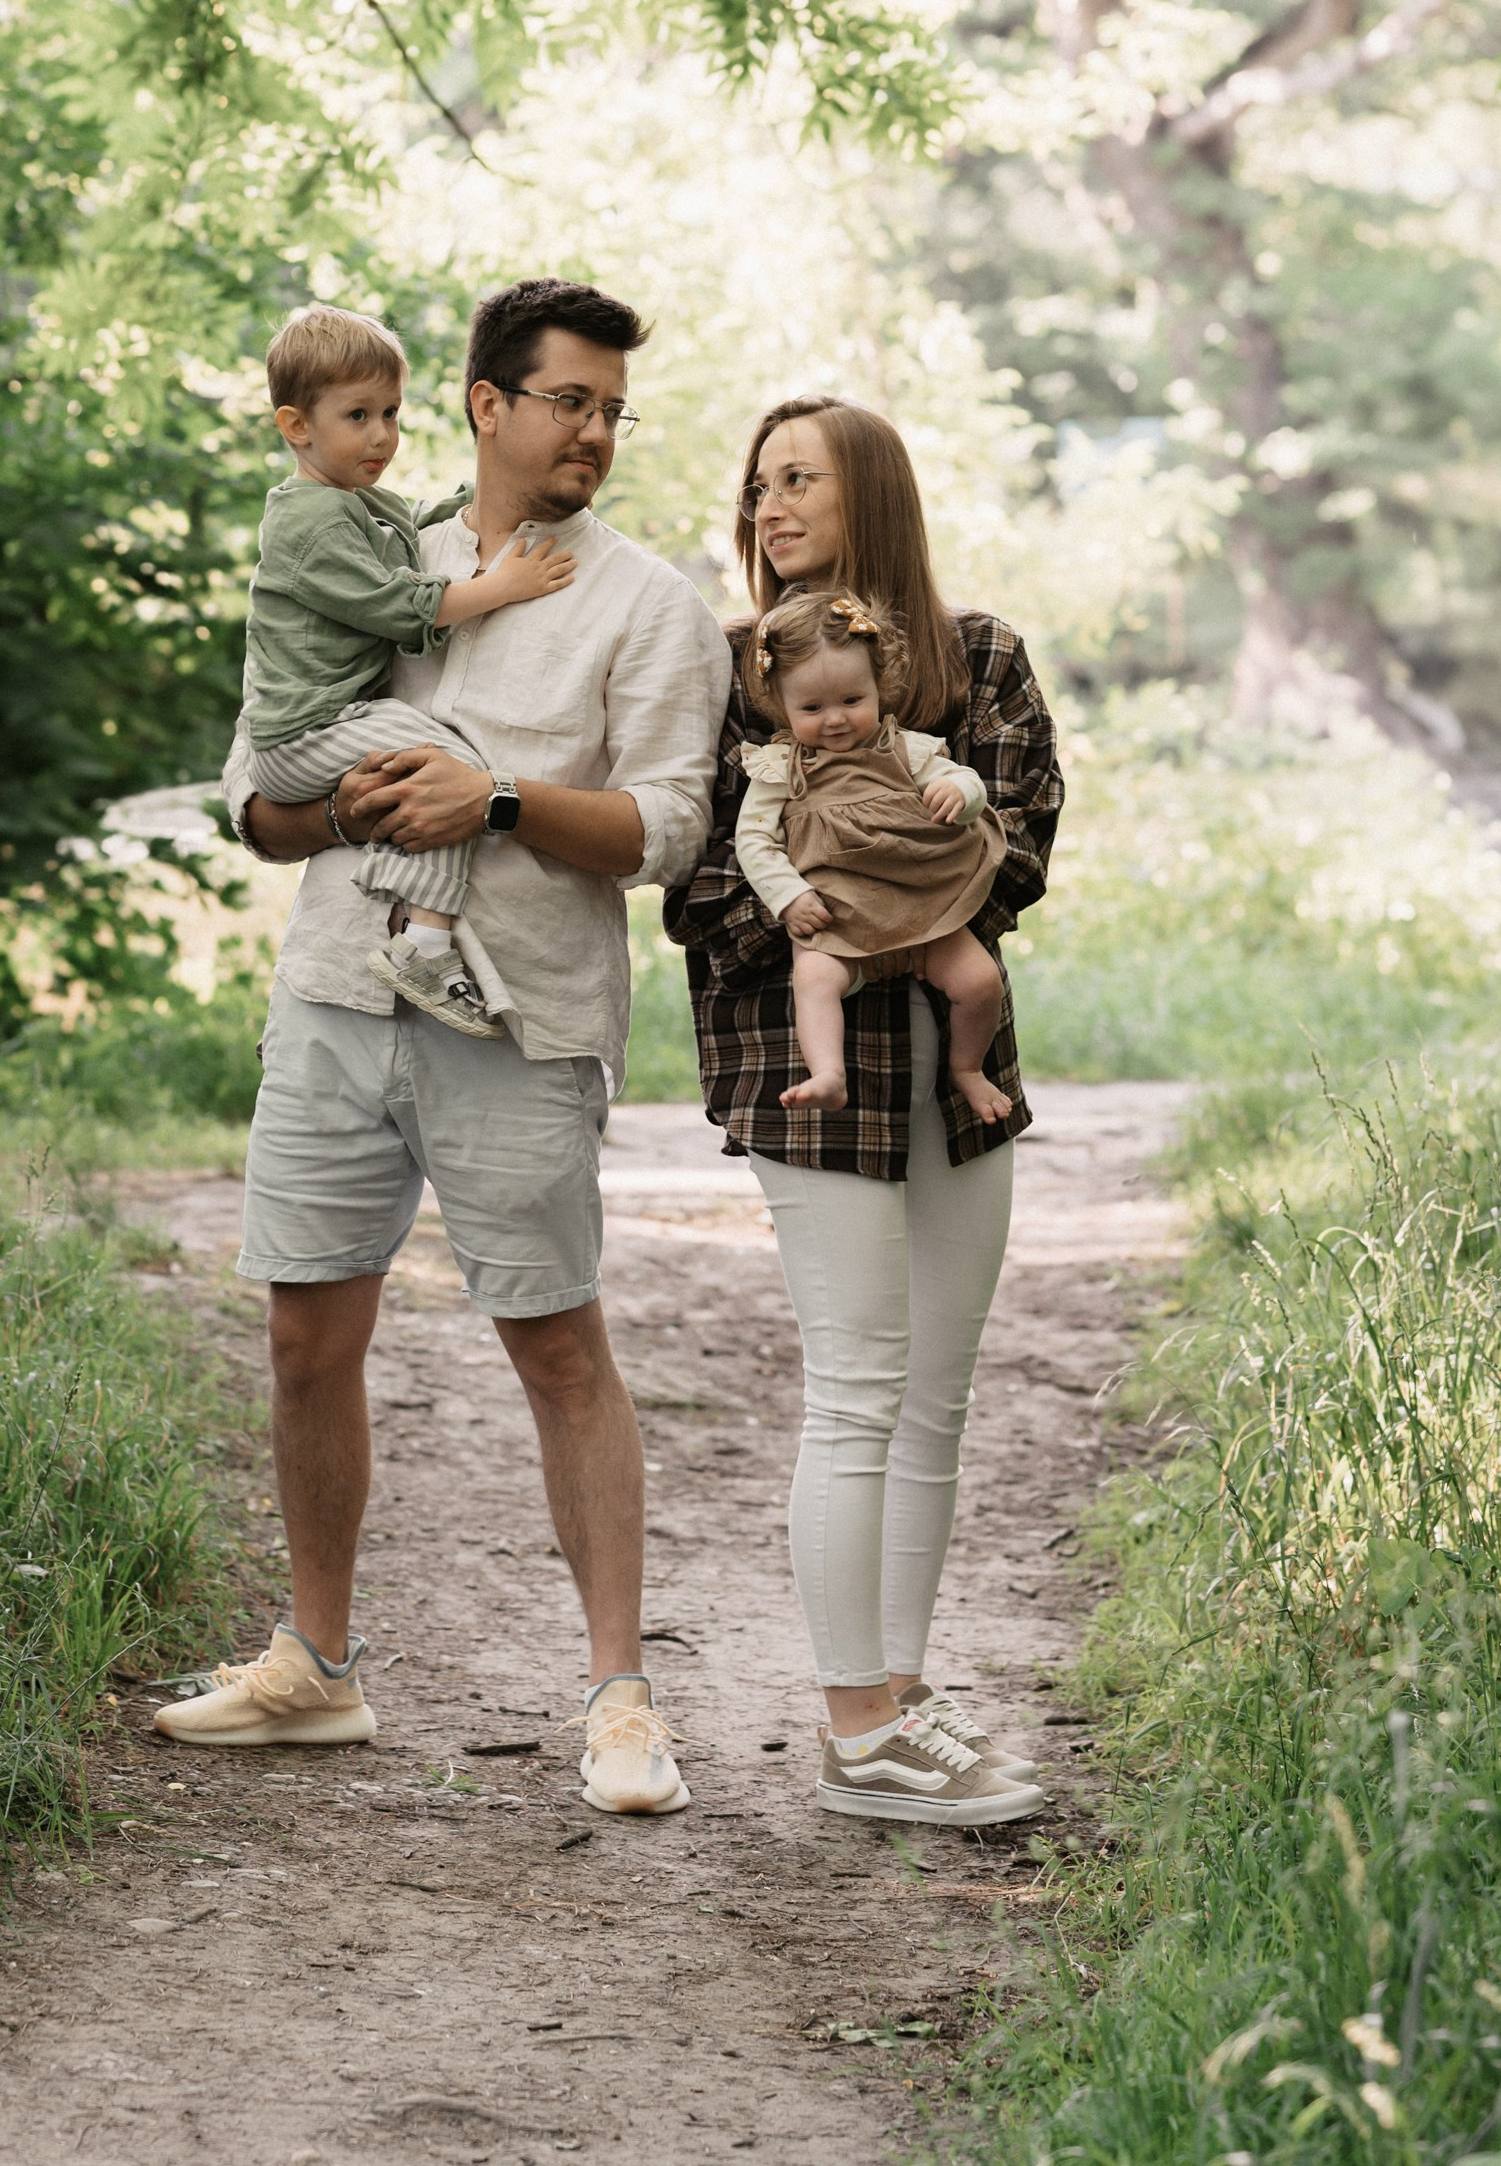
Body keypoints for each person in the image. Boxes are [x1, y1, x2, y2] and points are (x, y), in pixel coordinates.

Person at [156, 277, 731, 1820]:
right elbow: (260, 802)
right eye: (571, 402)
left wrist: (493, 803)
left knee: (557, 1344)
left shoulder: (649, 607)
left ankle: (618, 1696)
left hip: (523, 1019)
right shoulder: (354, 546)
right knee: (301, 1338)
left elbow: (668, 834)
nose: (597, 433)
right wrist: (360, 804)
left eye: (614, 410)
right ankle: (315, 1667)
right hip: (340, 997)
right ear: (488, 405)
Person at [665, 395, 1063, 1830]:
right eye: (755, 482)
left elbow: (1017, 855)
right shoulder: (730, 673)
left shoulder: (984, 660)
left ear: (869, 501)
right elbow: (702, 890)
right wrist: (875, 890)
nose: (767, 508)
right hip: (805, 1063)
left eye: (799, 482)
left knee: (936, 1403)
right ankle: (853, 1734)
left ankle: (902, 1702)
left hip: (961, 1077)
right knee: (857, 1388)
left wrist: (863, 891)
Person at [238, 300, 578, 1041]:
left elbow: (414, 520)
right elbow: (396, 605)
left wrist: (484, 501)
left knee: (440, 766)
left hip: (332, 722)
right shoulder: (306, 521)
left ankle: (409, 912)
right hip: (303, 733)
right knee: (446, 766)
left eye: (390, 413)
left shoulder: (355, 502)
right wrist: (499, 587)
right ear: (297, 427)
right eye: (356, 416)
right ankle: (422, 942)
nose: (382, 435)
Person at [732, 587, 1011, 1126]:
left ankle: (968, 1068)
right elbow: (755, 841)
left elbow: (961, 778)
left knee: (980, 983)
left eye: (851, 701)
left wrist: (961, 791)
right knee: (813, 981)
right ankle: (828, 1074)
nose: (834, 719)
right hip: (838, 920)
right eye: (811, 708)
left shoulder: (904, 748)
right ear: (780, 707)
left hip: (922, 909)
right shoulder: (780, 769)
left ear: (879, 687)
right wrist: (789, 896)